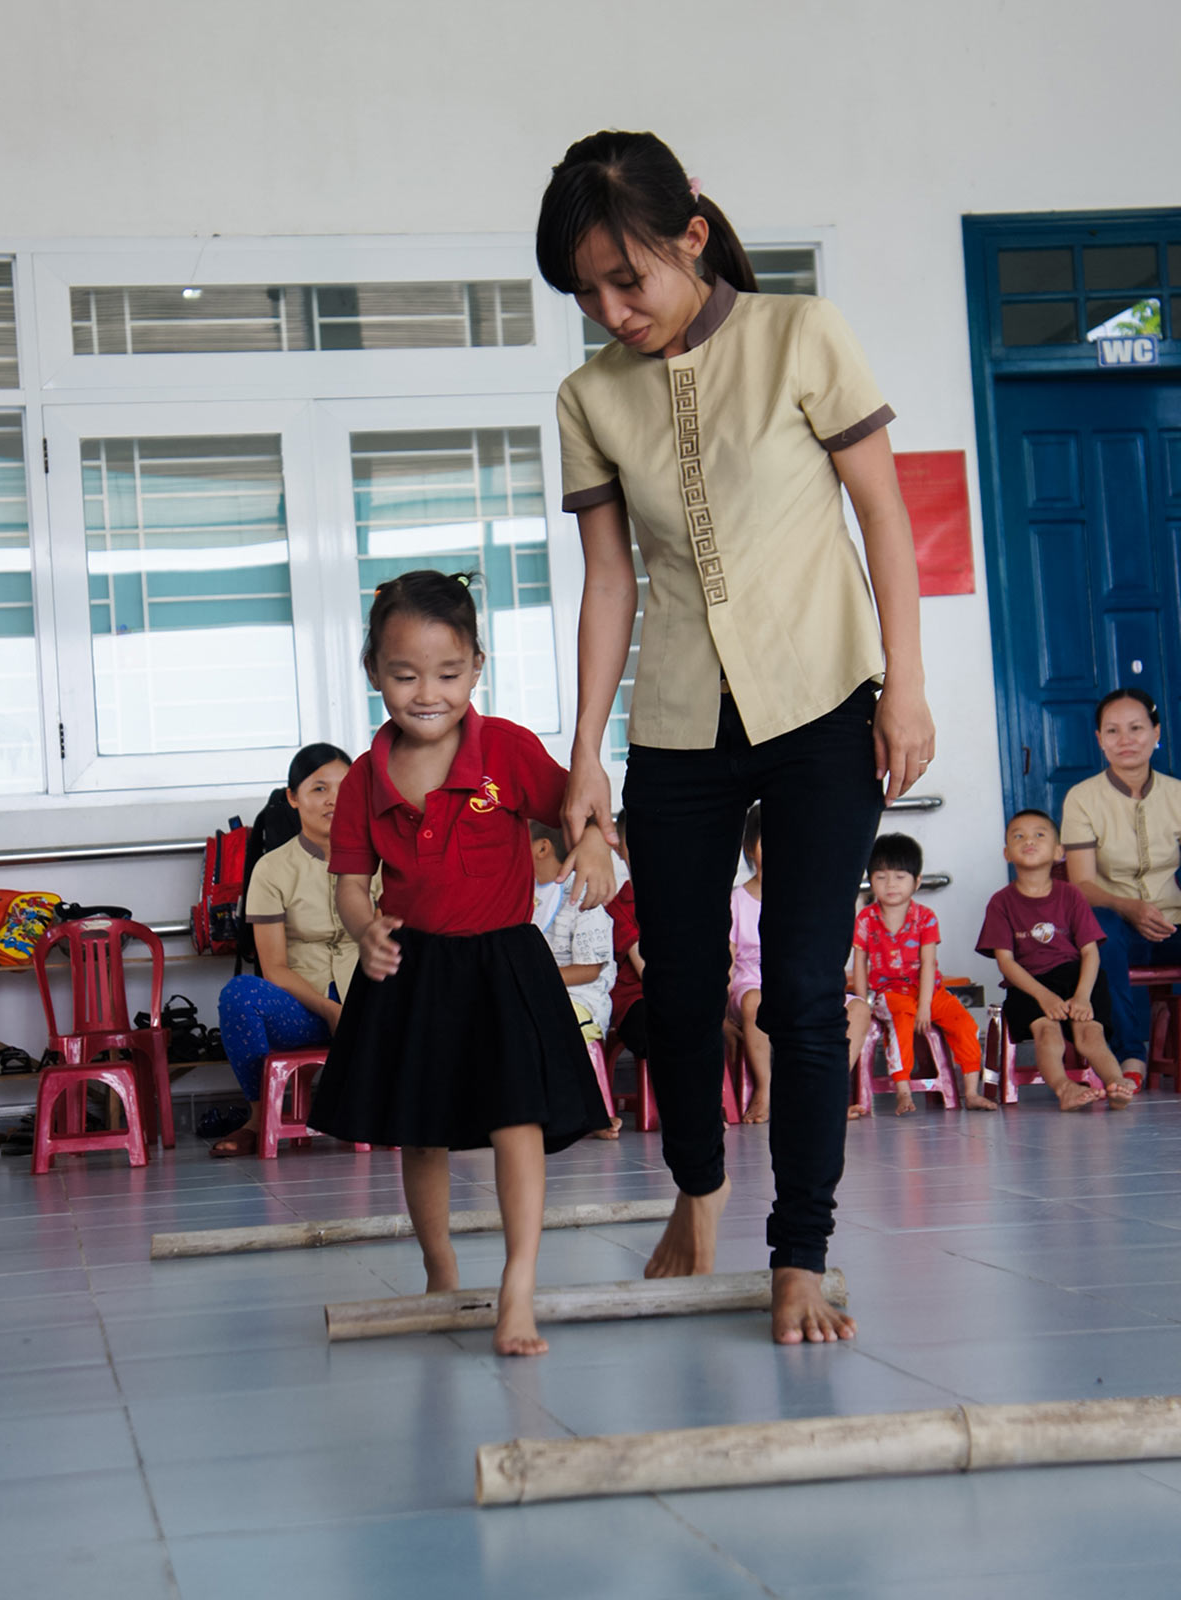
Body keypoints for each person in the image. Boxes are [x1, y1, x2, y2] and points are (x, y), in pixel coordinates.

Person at [536, 129, 935, 1343]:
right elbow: (611, 581)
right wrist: (585, 751)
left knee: (808, 989)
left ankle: (799, 1251)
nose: (612, 312)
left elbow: (883, 516)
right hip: (677, 719)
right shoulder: (590, 395)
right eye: (587, 293)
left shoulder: (800, 335)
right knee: (683, 982)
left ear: (693, 237)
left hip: (823, 700)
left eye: (629, 280)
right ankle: (697, 1194)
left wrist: (903, 688)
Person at [307, 570, 613, 1357]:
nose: (427, 693)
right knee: (423, 1130)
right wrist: (365, 927)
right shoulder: (364, 779)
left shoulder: (505, 748)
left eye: (447, 674)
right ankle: (440, 1268)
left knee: (519, 1121)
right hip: (412, 972)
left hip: (503, 965)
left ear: (477, 665)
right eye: (404, 676)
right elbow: (348, 886)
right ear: (373, 671)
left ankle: (518, 1286)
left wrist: (590, 844)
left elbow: (573, 808)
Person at [212, 742, 363, 1157]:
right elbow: (274, 967)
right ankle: (260, 1119)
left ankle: (400, 1107)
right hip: (307, 1011)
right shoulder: (271, 868)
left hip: (372, 1005)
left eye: (344, 788)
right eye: (318, 789)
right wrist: (330, 1010)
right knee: (239, 996)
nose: (333, 799)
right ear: (293, 798)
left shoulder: (380, 858)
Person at [1062, 688, 1181, 1088]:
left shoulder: (1177, 794)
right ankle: (1130, 1054)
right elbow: (1081, 883)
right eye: (1112, 731)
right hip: (1118, 924)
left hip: (1172, 923)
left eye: (1136, 728)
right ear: (1099, 739)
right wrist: (1128, 907)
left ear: (1156, 733)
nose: (1125, 740)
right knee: (1100, 933)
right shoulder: (1082, 799)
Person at [977, 810, 1133, 1110]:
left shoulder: (1071, 895)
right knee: (1047, 1033)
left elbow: (1090, 952)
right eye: (1018, 836)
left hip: (1078, 978)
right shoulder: (1001, 902)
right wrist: (1044, 996)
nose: (1029, 841)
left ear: (1059, 851)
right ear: (1007, 853)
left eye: (1039, 834)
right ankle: (1065, 1089)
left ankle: (1116, 1082)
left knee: (1091, 1033)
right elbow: (1007, 963)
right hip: (1028, 984)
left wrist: (1083, 997)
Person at [852, 834, 992, 1114]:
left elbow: (929, 964)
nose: (890, 884)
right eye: (881, 877)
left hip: (929, 992)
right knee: (901, 1023)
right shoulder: (866, 919)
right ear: (870, 880)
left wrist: (926, 1005)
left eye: (900, 876)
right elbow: (860, 962)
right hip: (890, 995)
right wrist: (860, 1003)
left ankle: (972, 1092)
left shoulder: (925, 917)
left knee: (964, 1024)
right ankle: (903, 1092)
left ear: (916, 882)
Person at [529, 821, 620, 1137]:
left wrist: (531, 978)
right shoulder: (517, 893)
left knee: (561, 1020)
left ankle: (591, 1111)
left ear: (542, 848)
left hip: (580, 997)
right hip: (531, 993)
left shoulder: (581, 893)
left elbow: (590, 969)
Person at [725, 804, 770, 1123]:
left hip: (792, 985)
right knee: (756, 1000)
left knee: (858, 1011)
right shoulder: (736, 901)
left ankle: (832, 1092)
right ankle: (765, 1089)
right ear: (749, 849)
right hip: (748, 985)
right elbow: (725, 964)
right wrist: (721, 1012)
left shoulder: (804, 899)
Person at [606, 809, 647, 1063]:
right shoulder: (619, 906)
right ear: (620, 849)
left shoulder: (680, 903)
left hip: (679, 995)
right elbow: (647, 969)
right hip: (636, 1002)